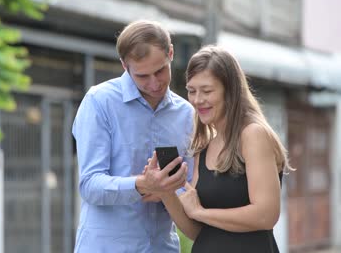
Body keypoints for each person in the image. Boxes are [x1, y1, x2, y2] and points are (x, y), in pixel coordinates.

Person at [148, 45, 290, 252]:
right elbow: (198, 231)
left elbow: (266, 215)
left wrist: (200, 212)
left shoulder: (253, 134)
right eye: (191, 91)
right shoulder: (204, 147)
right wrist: (166, 193)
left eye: (207, 91)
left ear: (230, 91)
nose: (197, 100)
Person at [72, 20, 195, 253]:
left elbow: (190, 186)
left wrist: (167, 191)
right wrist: (142, 185)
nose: (154, 83)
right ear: (124, 66)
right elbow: (89, 184)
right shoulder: (99, 102)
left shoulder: (187, 114)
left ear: (171, 53)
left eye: (160, 70)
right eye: (142, 76)